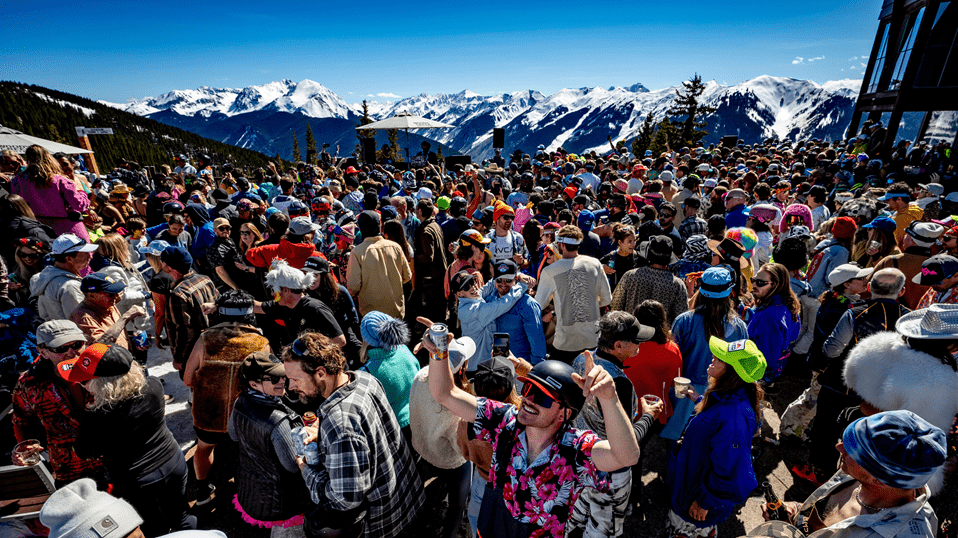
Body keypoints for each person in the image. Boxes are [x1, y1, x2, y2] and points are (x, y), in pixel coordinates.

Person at [427, 328, 640, 538]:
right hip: (494, 525)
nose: (528, 399)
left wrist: (609, 397)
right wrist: (439, 351)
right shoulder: (504, 420)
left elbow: (626, 456)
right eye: (528, 389)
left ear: (565, 414)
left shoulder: (575, 449)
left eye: (543, 397)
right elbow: (445, 393)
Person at [283, 332, 424, 538]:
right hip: (407, 498)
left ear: (321, 373)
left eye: (295, 379)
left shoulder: (339, 424)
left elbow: (346, 498)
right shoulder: (364, 378)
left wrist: (306, 470)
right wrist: (322, 432)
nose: (291, 387)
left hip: (383, 523)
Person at [796, 269, 910, 486]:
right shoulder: (909, 320)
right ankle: (856, 478)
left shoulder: (855, 312)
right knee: (866, 435)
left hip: (842, 384)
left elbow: (831, 350)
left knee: (826, 430)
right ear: (902, 291)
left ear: (869, 288)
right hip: (882, 392)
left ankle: (820, 472)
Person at [68, 344, 197, 535]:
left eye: (84, 381)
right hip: (172, 462)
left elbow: (83, 451)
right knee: (182, 516)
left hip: (134, 482)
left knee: (153, 527)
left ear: (102, 383)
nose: (82, 385)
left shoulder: (96, 417)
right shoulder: (154, 385)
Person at [752, 411, 945, 538]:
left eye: (852, 450)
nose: (839, 447)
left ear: (878, 478)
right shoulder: (856, 474)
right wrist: (795, 512)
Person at [842, 304, 958, 495]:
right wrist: (925, 487)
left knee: (844, 485)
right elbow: (926, 440)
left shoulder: (878, 344)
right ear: (950, 343)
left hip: (857, 429)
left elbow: (850, 377)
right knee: (864, 499)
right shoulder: (940, 380)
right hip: (886, 454)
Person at [569, 312, 664, 538]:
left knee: (576, 520)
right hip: (607, 471)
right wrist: (649, 416)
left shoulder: (581, 359)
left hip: (578, 458)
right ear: (619, 345)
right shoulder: (618, 383)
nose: (641, 342)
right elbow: (627, 443)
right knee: (603, 528)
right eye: (636, 339)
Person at [667, 337, 766, 538]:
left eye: (720, 358)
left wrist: (705, 502)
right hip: (692, 482)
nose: (713, 357)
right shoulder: (731, 396)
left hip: (697, 500)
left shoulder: (735, 418)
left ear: (733, 373)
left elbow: (732, 470)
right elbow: (720, 415)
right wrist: (698, 399)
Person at [184, 290, 270, 506]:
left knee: (203, 449)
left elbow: (187, 379)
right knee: (247, 452)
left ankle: (202, 492)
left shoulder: (205, 339)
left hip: (208, 412)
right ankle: (245, 493)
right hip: (244, 414)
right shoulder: (261, 343)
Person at [11, 320, 104, 486]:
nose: (72, 352)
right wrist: (25, 446)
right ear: (43, 352)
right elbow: (21, 421)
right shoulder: (28, 383)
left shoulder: (102, 366)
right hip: (70, 469)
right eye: (61, 348)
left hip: (112, 457)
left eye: (77, 344)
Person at [229, 350, 309, 536]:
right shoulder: (278, 422)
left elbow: (234, 435)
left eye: (282, 375)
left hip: (252, 489)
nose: (282, 382)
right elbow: (292, 466)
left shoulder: (239, 402)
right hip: (282, 500)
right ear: (253, 384)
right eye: (273, 379)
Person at [663, 266, 748, 441]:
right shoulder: (740, 327)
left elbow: (672, 358)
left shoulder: (684, 321)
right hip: (721, 395)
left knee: (673, 442)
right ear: (730, 292)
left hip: (683, 393)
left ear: (700, 290)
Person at [408, 336, 477, 538]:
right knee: (459, 498)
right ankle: (451, 530)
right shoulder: (456, 408)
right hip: (448, 461)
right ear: (462, 369)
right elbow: (462, 449)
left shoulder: (421, 375)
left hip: (421, 446)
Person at [358, 311, 420, 439]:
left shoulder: (365, 373)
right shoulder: (404, 349)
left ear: (365, 338)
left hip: (394, 429)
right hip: (418, 417)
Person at [12, 145, 91, 240]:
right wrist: (82, 192)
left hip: (38, 229)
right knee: (82, 254)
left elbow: (17, 205)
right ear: (48, 158)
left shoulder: (17, 181)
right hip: (68, 228)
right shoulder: (60, 180)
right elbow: (79, 205)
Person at [161, 245, 219, 373]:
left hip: (195, 353)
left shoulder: (178, 294)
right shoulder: (205, 279)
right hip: (215, 344)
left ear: (169, 266)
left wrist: (179, 358)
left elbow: (184, 331)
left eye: (163, 261)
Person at [347, 210, 413, 318]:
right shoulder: (395, 247)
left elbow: (353, 287)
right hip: (396, 312)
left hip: (372, 316)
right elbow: (407, 277)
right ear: (380, 226)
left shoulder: (357, 252)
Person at [481, 259, 547, 364]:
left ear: (516, 279)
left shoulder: (527, 304)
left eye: (508, 280)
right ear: (494, 280)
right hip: (495, 364)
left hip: (519, 367)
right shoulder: (489, 300)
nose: (503, 284)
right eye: (499, 280)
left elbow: (537, 341)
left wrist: (534, 369)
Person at [611, 235, 688, 324]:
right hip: (661, 336)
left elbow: (615, 306)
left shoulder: (630, 276)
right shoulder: (677, 284)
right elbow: (681, 318)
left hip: (632, 333)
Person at [744, 263, 800, 382]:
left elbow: (768, 356)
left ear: (775, 285)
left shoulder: (769, 316)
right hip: (779, 367)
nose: (753, 285)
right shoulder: (789, 305)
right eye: (753, 280)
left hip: (758, 372)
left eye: (760, 283)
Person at [69, 272, 147, 352]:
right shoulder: (83, 316)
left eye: (116, 291)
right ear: (91, 295)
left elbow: (115, 332)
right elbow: (100, 346)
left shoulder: (106, 304)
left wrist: (131, 341)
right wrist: (126, 317)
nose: (116, 296)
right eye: (110, 294)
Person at [873, 221, 943, 309]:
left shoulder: (891, 260)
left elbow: (865, 288)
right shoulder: (940, 265)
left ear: (912, 240)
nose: (904, 237)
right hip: (923, 318)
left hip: (891, 315)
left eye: (906, 235)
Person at [30, 234, 98, 322]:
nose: (90, 256)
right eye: (85, 253)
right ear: (69, 259)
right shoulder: (70, 286)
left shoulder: (46, 278)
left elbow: (43, 314)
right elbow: (83, 322)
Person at [600, 223, 641, 292]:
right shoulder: (610, 257)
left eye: (634, 241)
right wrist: (601, 268)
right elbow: (594, 267)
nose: (633, 245)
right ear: (620, 242)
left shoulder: (638, 258)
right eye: (630, 242)